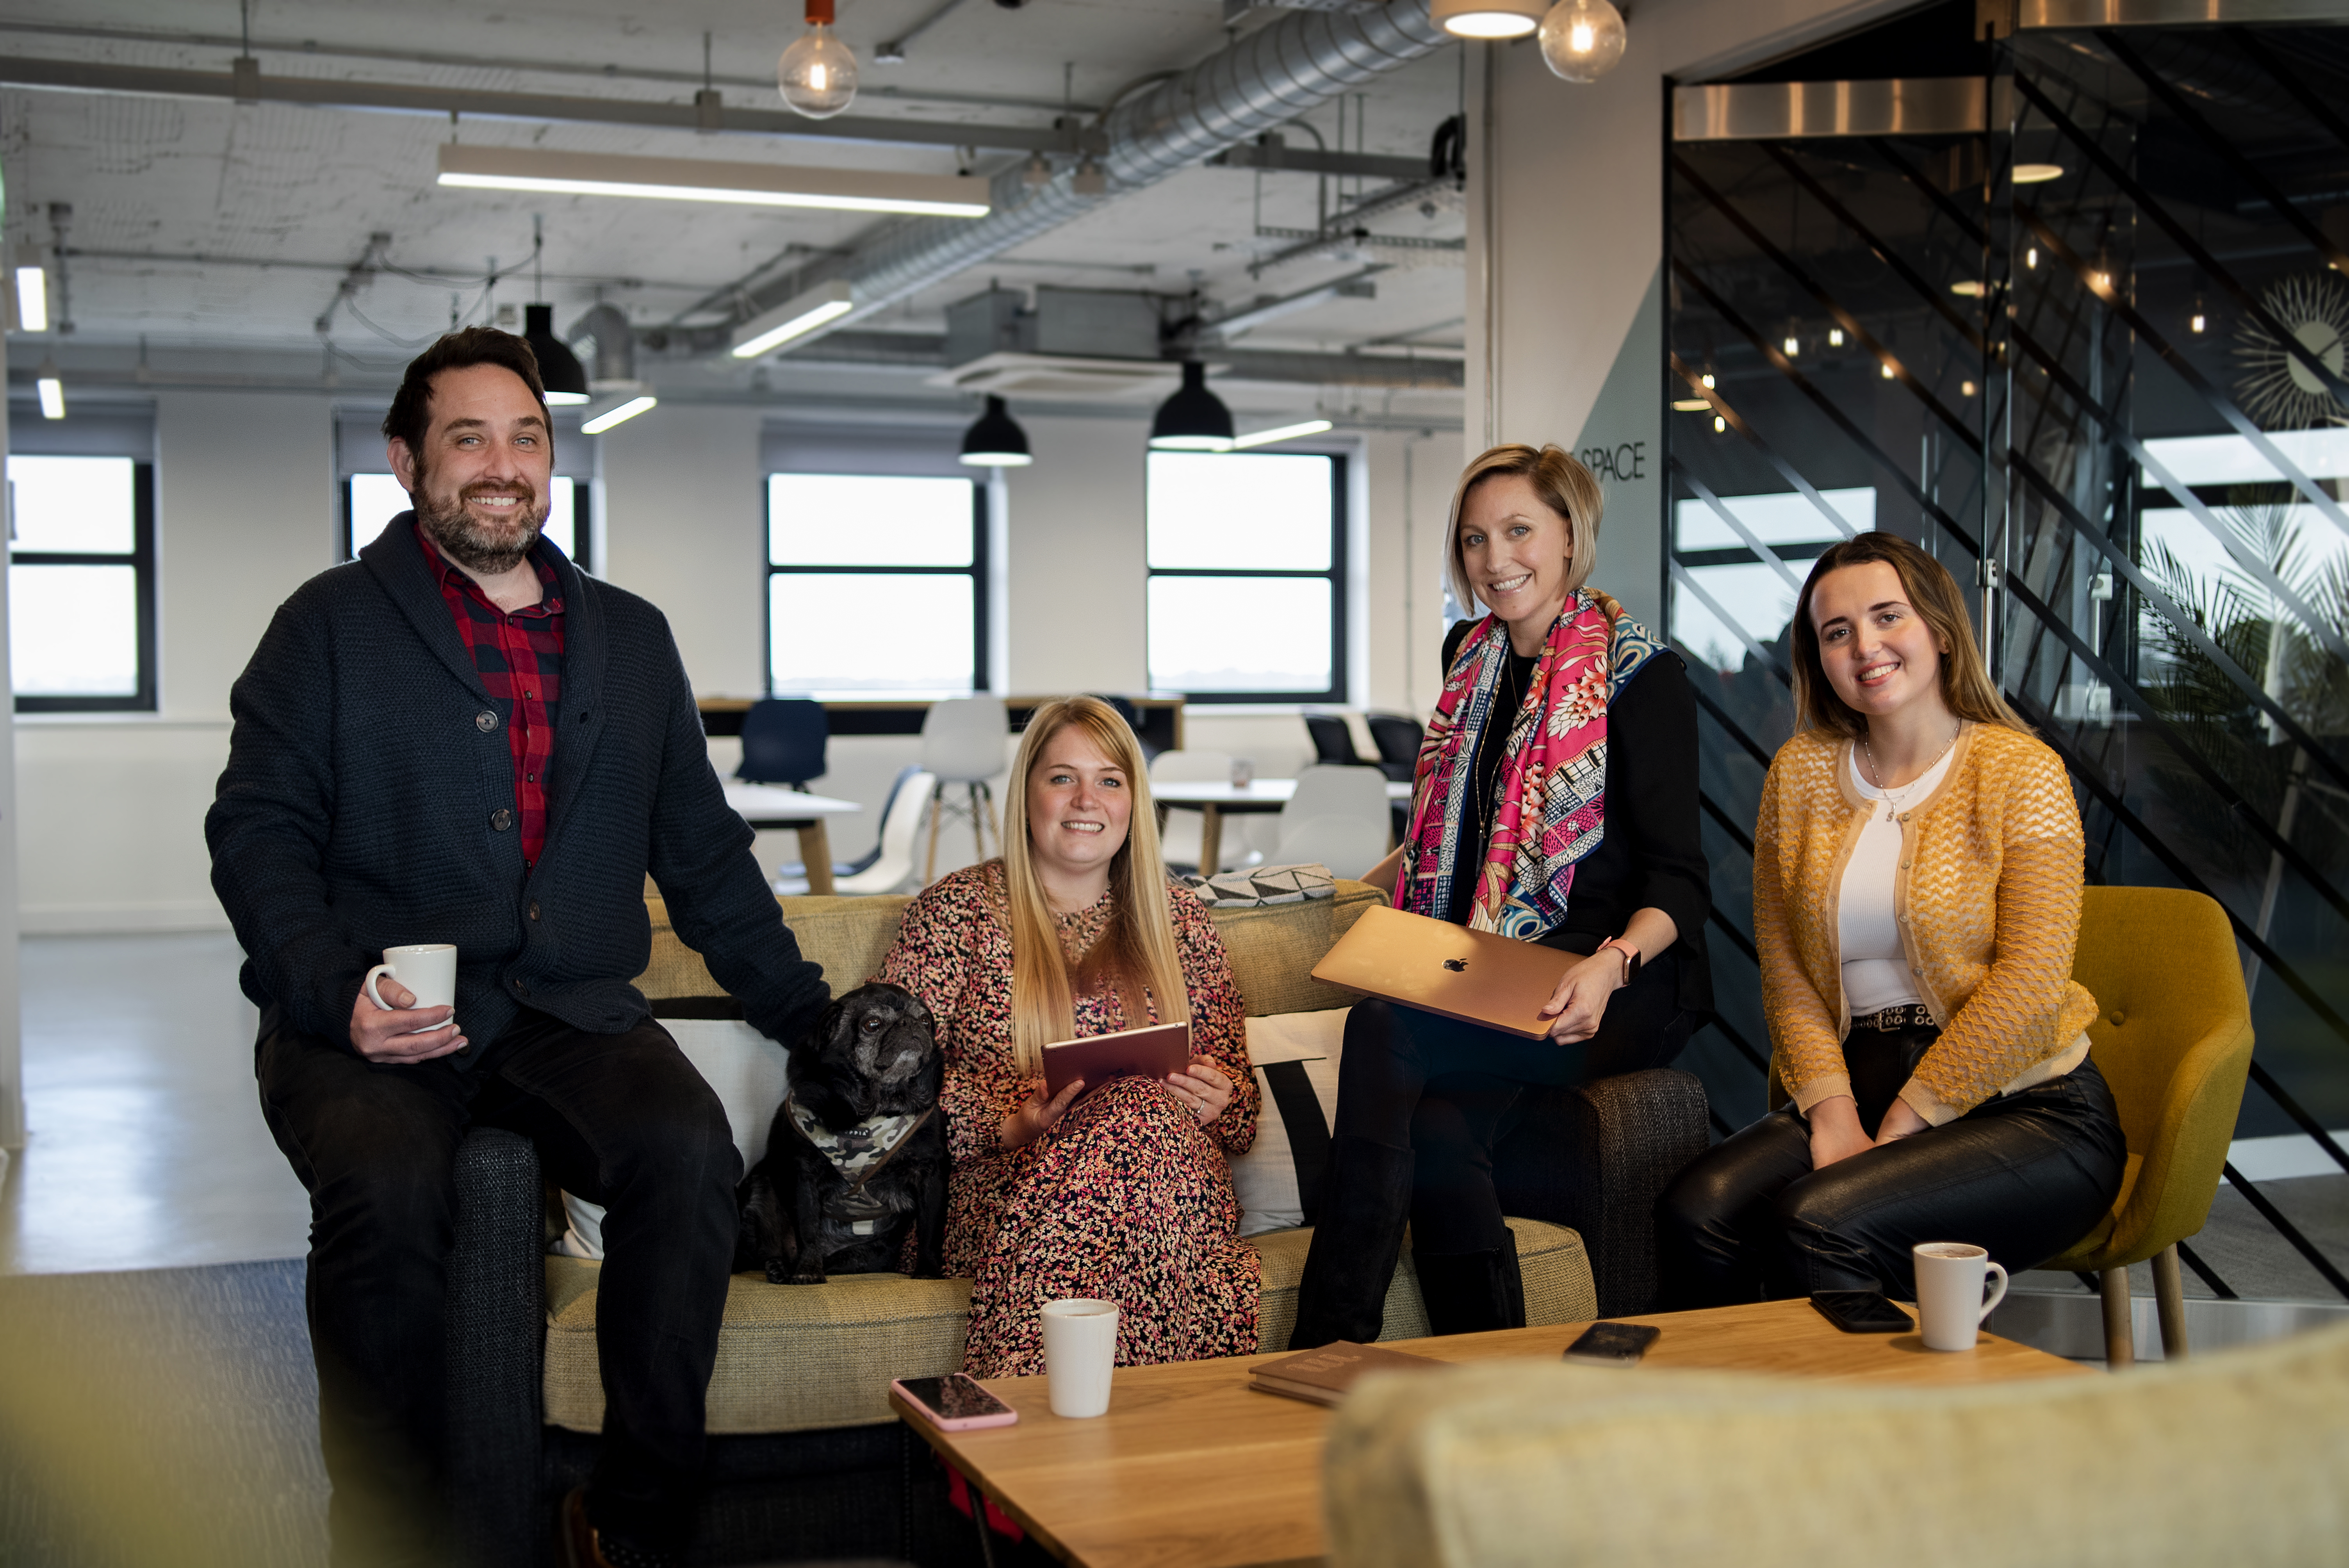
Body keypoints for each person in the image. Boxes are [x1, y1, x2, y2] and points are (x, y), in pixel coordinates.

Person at [207, 328, 829, 1568]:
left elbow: (702, 857)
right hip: (377, 1018)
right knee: (385, 1196)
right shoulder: (324, 627)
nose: (503, 463)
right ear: (406, 461)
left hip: (565, 1012)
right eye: (468, 436)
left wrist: (812, 1019)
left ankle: (631, 1522)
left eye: (527, 436)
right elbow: (257, 832)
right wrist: (338, 993)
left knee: (687, 1155)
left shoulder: (629, 639)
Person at [1290, 444, 1712, 1348]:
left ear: (1569, 535)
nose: (1494, 559)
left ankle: (1331, 1339)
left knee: (1384, 1024)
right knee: (1440, 1133)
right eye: (1475, 539)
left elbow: (1679, 879)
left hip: (1621, 974)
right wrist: (1345, 888)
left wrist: (1607, 968)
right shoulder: (1469, 655)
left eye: (1518, 530)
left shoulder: (1642, 676)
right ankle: (1492, 1373)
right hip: (1495, 968)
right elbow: (1458, 833)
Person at [1657, 532, 2126, 1308]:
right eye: (1835, 632)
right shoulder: (1798, 774)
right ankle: (1747, 1416)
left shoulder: (2020, 771)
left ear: (1938, 630)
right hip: (1857, 1086)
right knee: (1696, 1213)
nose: (1863, 646)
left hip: (2029, 1109)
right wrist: (1836, 1119)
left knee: (1820, 1221)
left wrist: (1905, 1121)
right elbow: (1787, 971)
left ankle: (1878, 1428)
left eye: (1886, 617)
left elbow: (2032, 980)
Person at [877, 697, 1260, 1376]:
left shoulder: (1180, 920)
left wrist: (1220, 1101)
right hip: (1006, 1190)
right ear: (1026, 793)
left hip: (1172, 1187)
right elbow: (886, 1083)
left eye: (1111, 780)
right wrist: (1008, 1124)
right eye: (1062, 778)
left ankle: (1014, 1427)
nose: (1088, 799)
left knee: (1139, 1114)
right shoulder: (954, 913)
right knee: (1136, 1119)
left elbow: (1241, 1108)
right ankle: (1161, 1435)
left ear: (1133, 803)